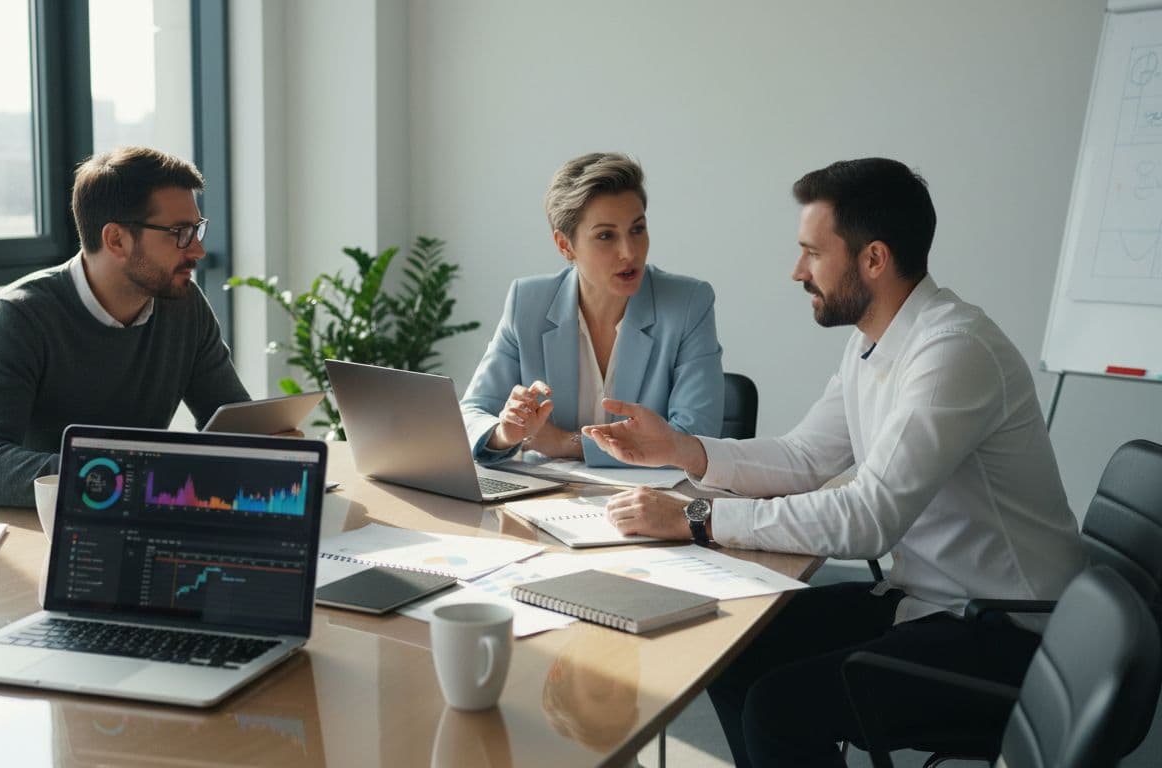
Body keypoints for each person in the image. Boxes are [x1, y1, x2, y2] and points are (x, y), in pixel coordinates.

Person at [583, 158, 1087, 766]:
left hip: (1010, 636)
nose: (797, 271)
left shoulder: (953, 352)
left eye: (812, 253)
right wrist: (682, 449)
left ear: (873, 259)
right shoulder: (875, 341)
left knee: (780, 708)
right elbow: (805, 456)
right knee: (728, 645)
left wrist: (696, 517)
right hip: (925, 601)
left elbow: (869, 518)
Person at [0, 146, 251, 513]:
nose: (198, 250)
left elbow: (231, 418)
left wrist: (269, 447)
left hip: (121, 518)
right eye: (180, 233)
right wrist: (123, 474)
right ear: (116, 240)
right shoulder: (18, 317)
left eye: (196, 229)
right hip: (12, 532)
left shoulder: (183, 306)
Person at [460, 152, 724, 468]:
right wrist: (506, 433)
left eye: (637, 229)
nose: (629, 252)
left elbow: (694, 437)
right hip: (549, 501)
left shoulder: (687, 303)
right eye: (605, 236)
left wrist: (566, 444)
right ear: (565, 245)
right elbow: (471, 413)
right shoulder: (528, 302)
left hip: (650, 502)